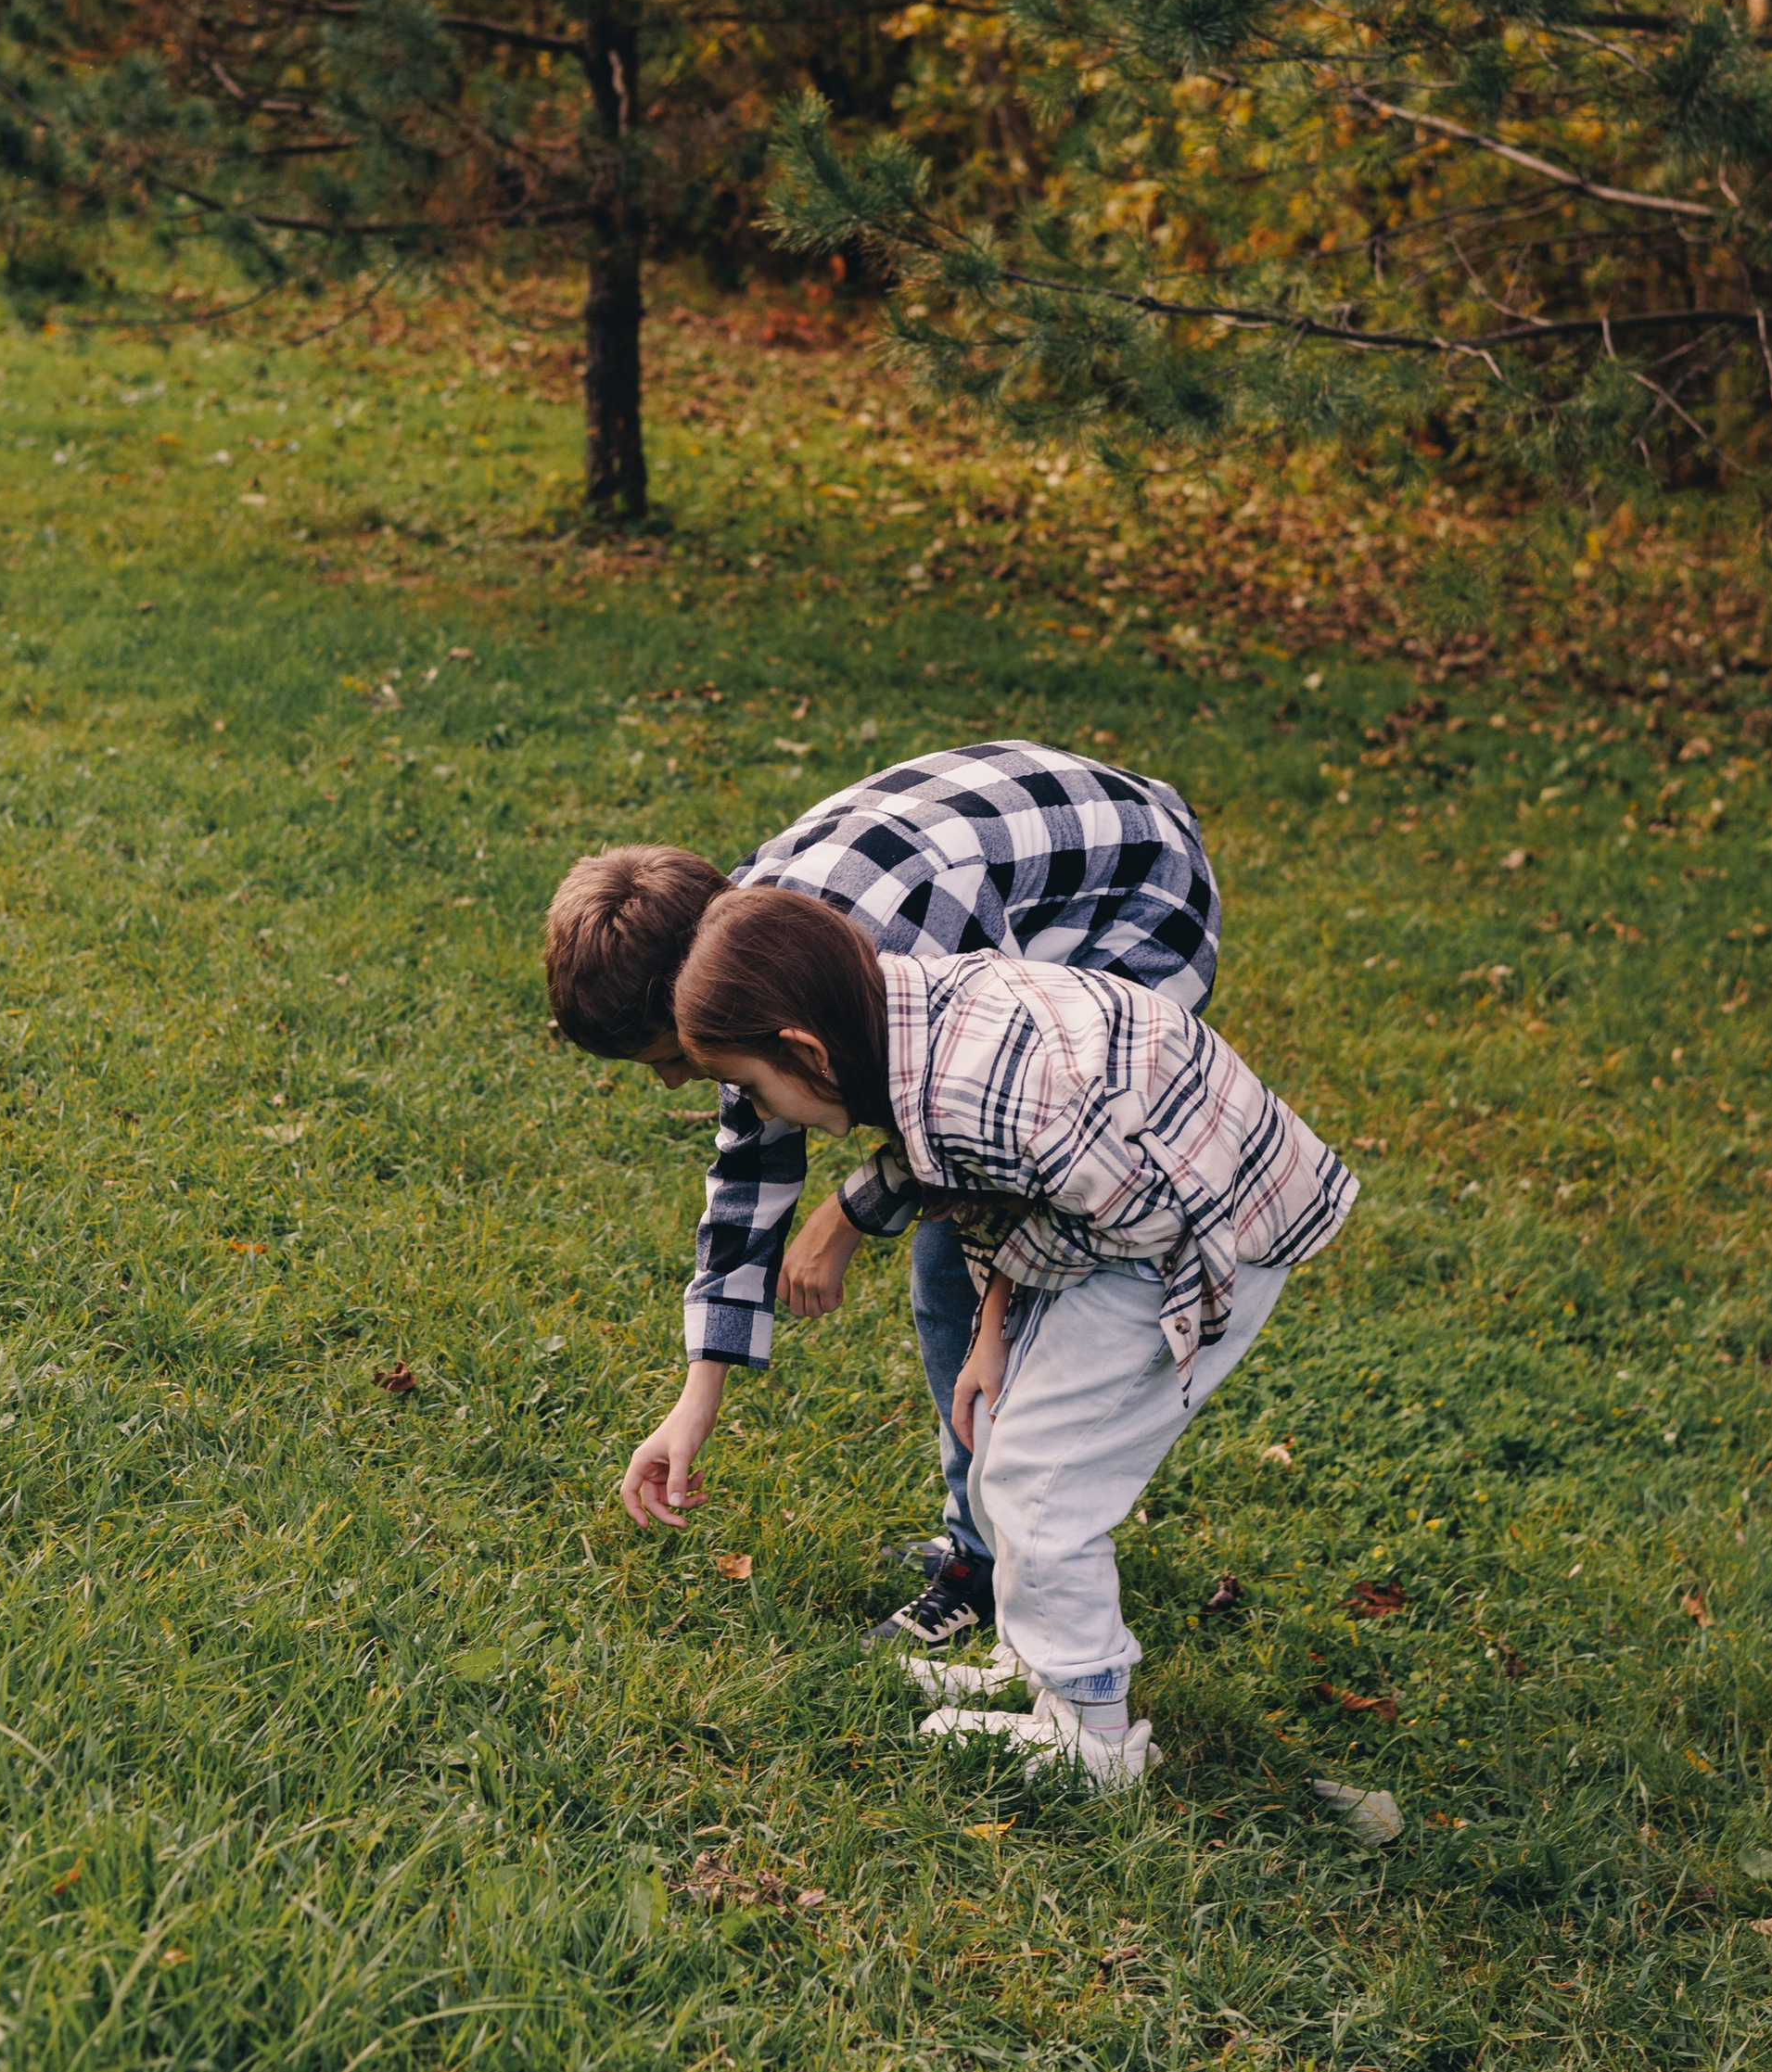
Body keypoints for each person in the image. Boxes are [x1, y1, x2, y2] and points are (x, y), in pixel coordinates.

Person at [665, 886, 1358, 1792]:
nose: (762, 1111)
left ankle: (1094, 1733)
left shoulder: (982, 1099)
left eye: (755, 1088)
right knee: (998, 1429)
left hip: (1204, 1227)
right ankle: (1034, 1664)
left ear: (804, 1050)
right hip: (1124, 1204)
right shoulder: (900, 1015)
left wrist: (1011, 1294)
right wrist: (993, 1333)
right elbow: (992, 1186)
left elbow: (1148, 1218)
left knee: (1041, 1473)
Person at [544, 742, 1220, 1654]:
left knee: (976, 1253)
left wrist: (852, 1210)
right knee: (956, 1253)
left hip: (1136, 895)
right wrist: (696, 1398)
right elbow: (748, 1165)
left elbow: (994, 1119)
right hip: (1021, 870)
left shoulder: (879, 946)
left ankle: (997, 1562)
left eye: (672, 1059)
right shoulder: (741, 947)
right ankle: (987, 1536)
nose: (675, 1086)